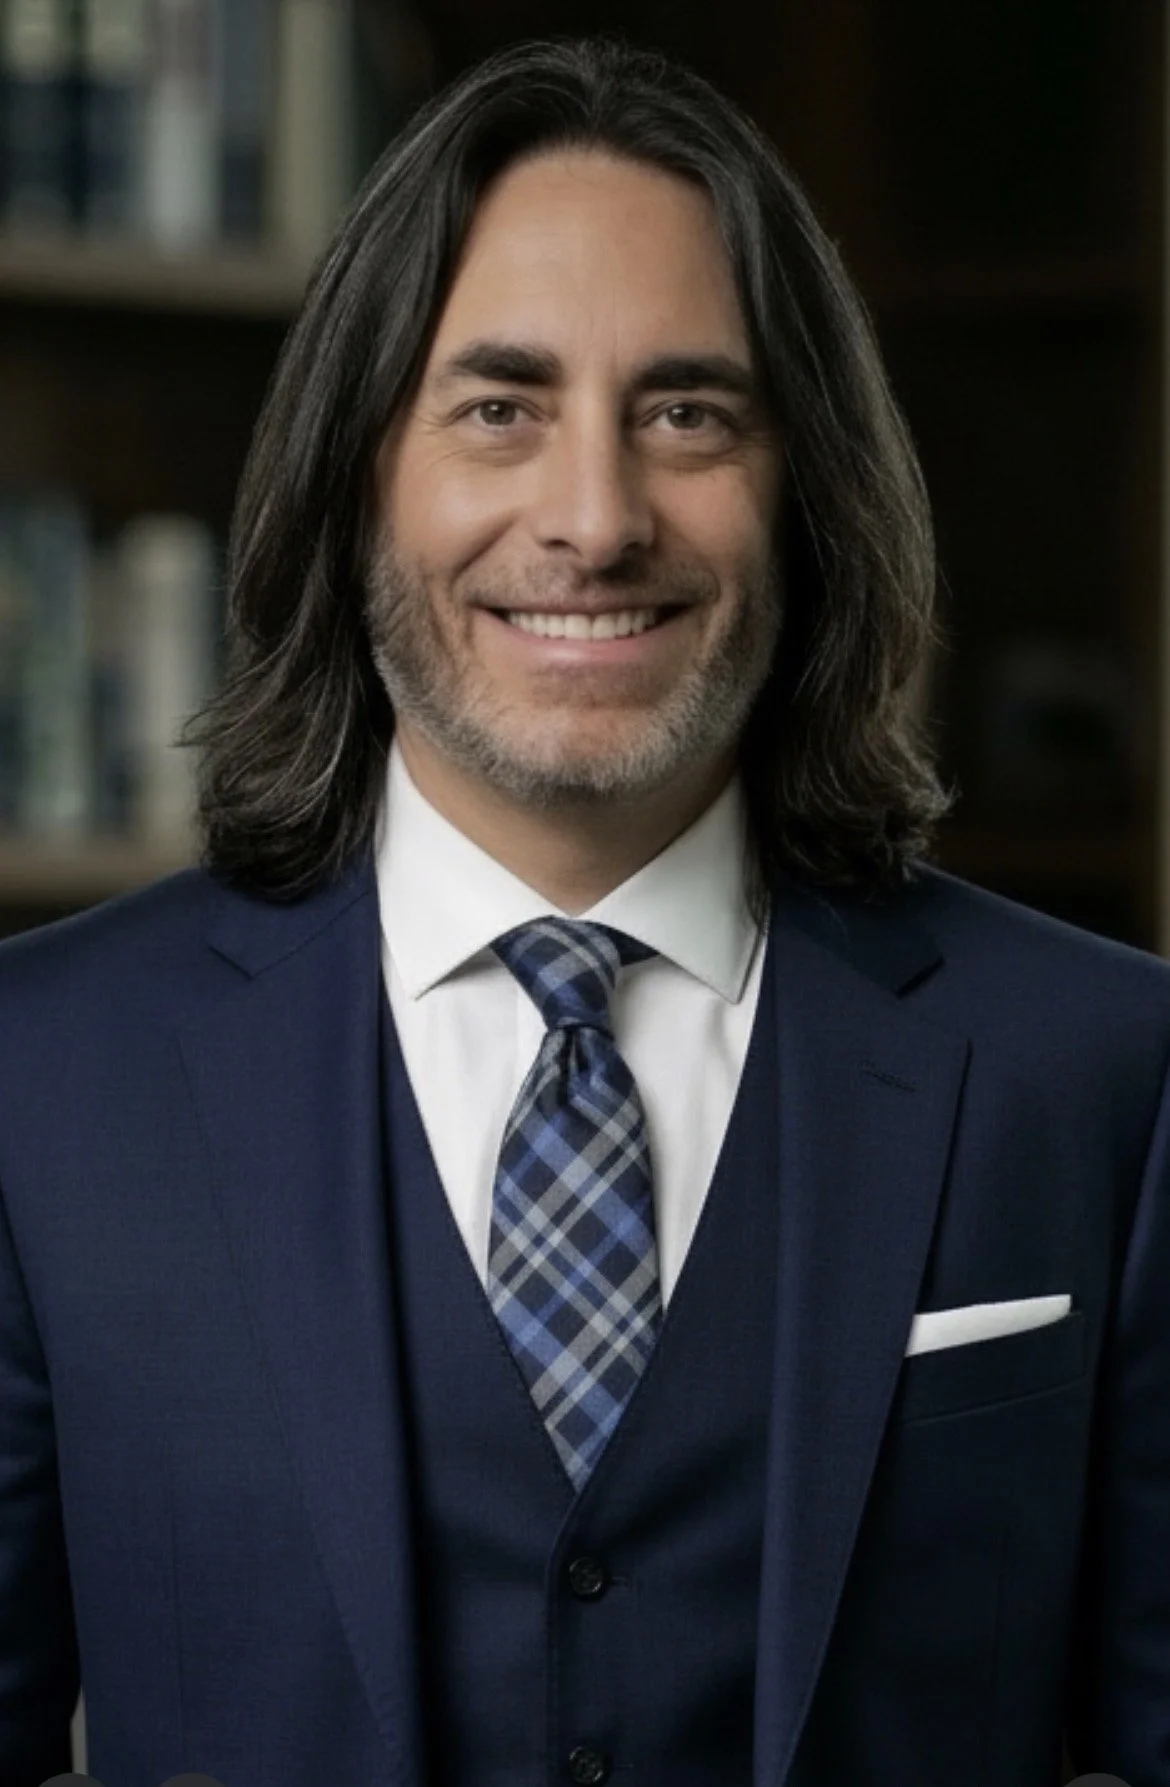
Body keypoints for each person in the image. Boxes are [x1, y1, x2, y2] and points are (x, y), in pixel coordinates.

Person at [0, 34, 1166, 1787]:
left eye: (688, 412)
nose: (597, 517)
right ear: (355, 475)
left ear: (806, 494)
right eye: (499, 408)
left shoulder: (1100, 1071)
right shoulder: (40, 1074)